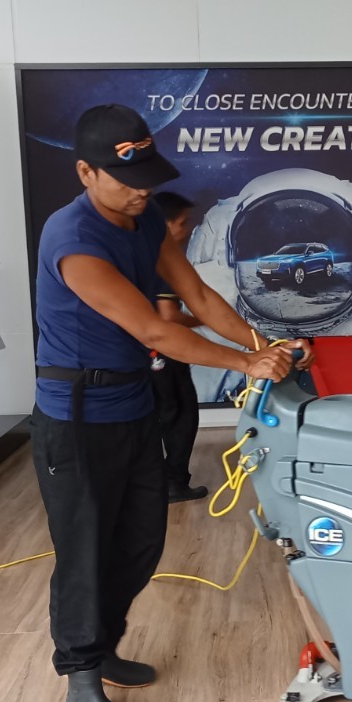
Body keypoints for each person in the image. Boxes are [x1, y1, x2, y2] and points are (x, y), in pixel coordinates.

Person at [32, 104, 311, 702]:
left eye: (147, 179)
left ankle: (102, 646)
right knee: (85, 550)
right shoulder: (72, 239)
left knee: (141, 541)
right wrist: (246, 363)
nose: (141, 192)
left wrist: (266, 345)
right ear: (85, 173)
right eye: (125, 180)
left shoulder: (148, 219)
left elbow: (200, 299)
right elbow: (154, 330)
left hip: (133, 405)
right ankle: (81, 676)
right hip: (77, 418)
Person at [149, 191, 206, 504]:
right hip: (166, 354)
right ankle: (175, 483)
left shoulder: (140, 257)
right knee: (182, 415)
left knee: (159, 417)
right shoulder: (166, 263)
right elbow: (169, 316)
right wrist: (201, 320)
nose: (186, 230)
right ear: (164, 225)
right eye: (182, 223)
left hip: (145, 355)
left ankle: (153, 483)